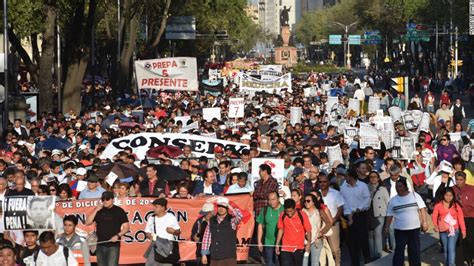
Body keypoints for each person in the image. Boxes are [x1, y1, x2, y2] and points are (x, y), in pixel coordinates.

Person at [385, 179, 428, 266]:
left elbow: (422, 209)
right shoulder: (393, 200)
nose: (398, 188)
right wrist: (386, 227)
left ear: (405, 186)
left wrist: (424, 222)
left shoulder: (415, 196)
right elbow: (389, 215)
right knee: (399, 251)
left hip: (414, 229)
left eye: (400, 186)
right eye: (396, 186)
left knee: (414, 251)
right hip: (400, 230)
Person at [85, 191, 129, 266]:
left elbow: (126, 228)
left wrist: (117, 236)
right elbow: (87, 222)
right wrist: (96, 210)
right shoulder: (99, 211)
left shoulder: (119, 211)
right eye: (103, 199)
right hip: (100, 244)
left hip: (113, 246)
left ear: (113, 200)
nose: (105, 201)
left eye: (107, 199)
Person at [340, 170, 371, 265]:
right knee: (351, 240)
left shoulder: (362, 186)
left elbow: (367, 199)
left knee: (362, 237)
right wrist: (349, 216)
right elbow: (343, 201)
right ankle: (355, 261)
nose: (345, 178)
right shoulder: (344, 187)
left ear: (352, 177)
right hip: (348, 216)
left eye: (347, 176)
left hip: (360, 215)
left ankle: (366, 257)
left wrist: (359, 208)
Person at [201, 197, 243, 266]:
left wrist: (230, 206)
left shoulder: (232, 220)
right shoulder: (211, 220)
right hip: (214, 257)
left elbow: (240, 216)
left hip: (229, 257)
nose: (221, 208)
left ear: (227, 208)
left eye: (223, 206)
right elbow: (206, 238)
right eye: (219, 206)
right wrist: (204, 254)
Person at [432, 187, 466, 266]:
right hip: (443, 231)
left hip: (454, 230)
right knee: (446, 249)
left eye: (450, 196)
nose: (448, 197)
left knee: (451, 248)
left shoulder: (456, 205)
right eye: (446, 195)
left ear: (453, 196)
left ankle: (451, 264)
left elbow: (461, 218)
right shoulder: (438, 205)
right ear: (443, 195)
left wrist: (463, 230)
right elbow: (434, 216)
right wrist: (435, 226)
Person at [144, 198, 181, 265]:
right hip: (155, 247)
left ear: (163, 207)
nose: (154, 209)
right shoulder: (151, 218)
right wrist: (150, 236)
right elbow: (147, 232)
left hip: (167, 247)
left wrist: (173, 232)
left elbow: (178, 232)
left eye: (156, 207)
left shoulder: (170, 217)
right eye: (153, 207)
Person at [275, 198, 311, 266]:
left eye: (291, 211)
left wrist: (308, 243)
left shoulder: (302, 215)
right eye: (287, 211)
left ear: (295, 207)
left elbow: (308, 230)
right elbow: (281, 229)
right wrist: (277, 244)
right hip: (285, 247)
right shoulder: (282, 215)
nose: (289, 213)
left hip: (299, 248)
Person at [319, 174, 344, 266]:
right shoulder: (317, 194)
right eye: (320, 182)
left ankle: (337, 264)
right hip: (321, 225)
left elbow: (340, 209)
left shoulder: (335, 193)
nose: (322, 183)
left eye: (324, 181)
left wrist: (334, 219)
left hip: (333, 223)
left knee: (334, 248)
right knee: (322, 249)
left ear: (328, 182)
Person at [302, 193, 333, 266]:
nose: (306, 202)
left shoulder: (319, 212)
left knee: (315, 262)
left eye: (308, 201)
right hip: (305, 240)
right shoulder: (302, 212)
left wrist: (321, 232)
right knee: (304, 261)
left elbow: (329, 223)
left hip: (317, 240)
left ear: (313, 202)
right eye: (305, 201)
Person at [451, 171, 474, 265]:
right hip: (457, 219)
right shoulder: (452, 189)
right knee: (459, 240)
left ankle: (470, 258)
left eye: (461, 180)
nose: (459, 182)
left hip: (470, 218)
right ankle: (460, 260)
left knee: (470, 239)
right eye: (457, 180)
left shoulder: (472, 189)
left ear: (464, 180)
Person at [256, 191, 284, 266]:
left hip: (282, 243)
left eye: (273, 199)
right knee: (269, 263)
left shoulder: (284, 209)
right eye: (269, 200)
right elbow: (260, 226)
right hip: (268, 242)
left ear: (278, 199)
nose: (271, 202)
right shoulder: (265, 209)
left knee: (279, 263)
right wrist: (259, 242)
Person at [367, 171, 390, 260]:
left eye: (375, 177)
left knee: (377, 233)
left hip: (380, 213)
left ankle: (378, 253)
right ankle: (372, 254)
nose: (373, 178)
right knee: (370, 234)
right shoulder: (365, 188)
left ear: (378, 178)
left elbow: (388, 202)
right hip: (369, 213)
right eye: (371, 177)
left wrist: (389, 215)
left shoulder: (382, 189)